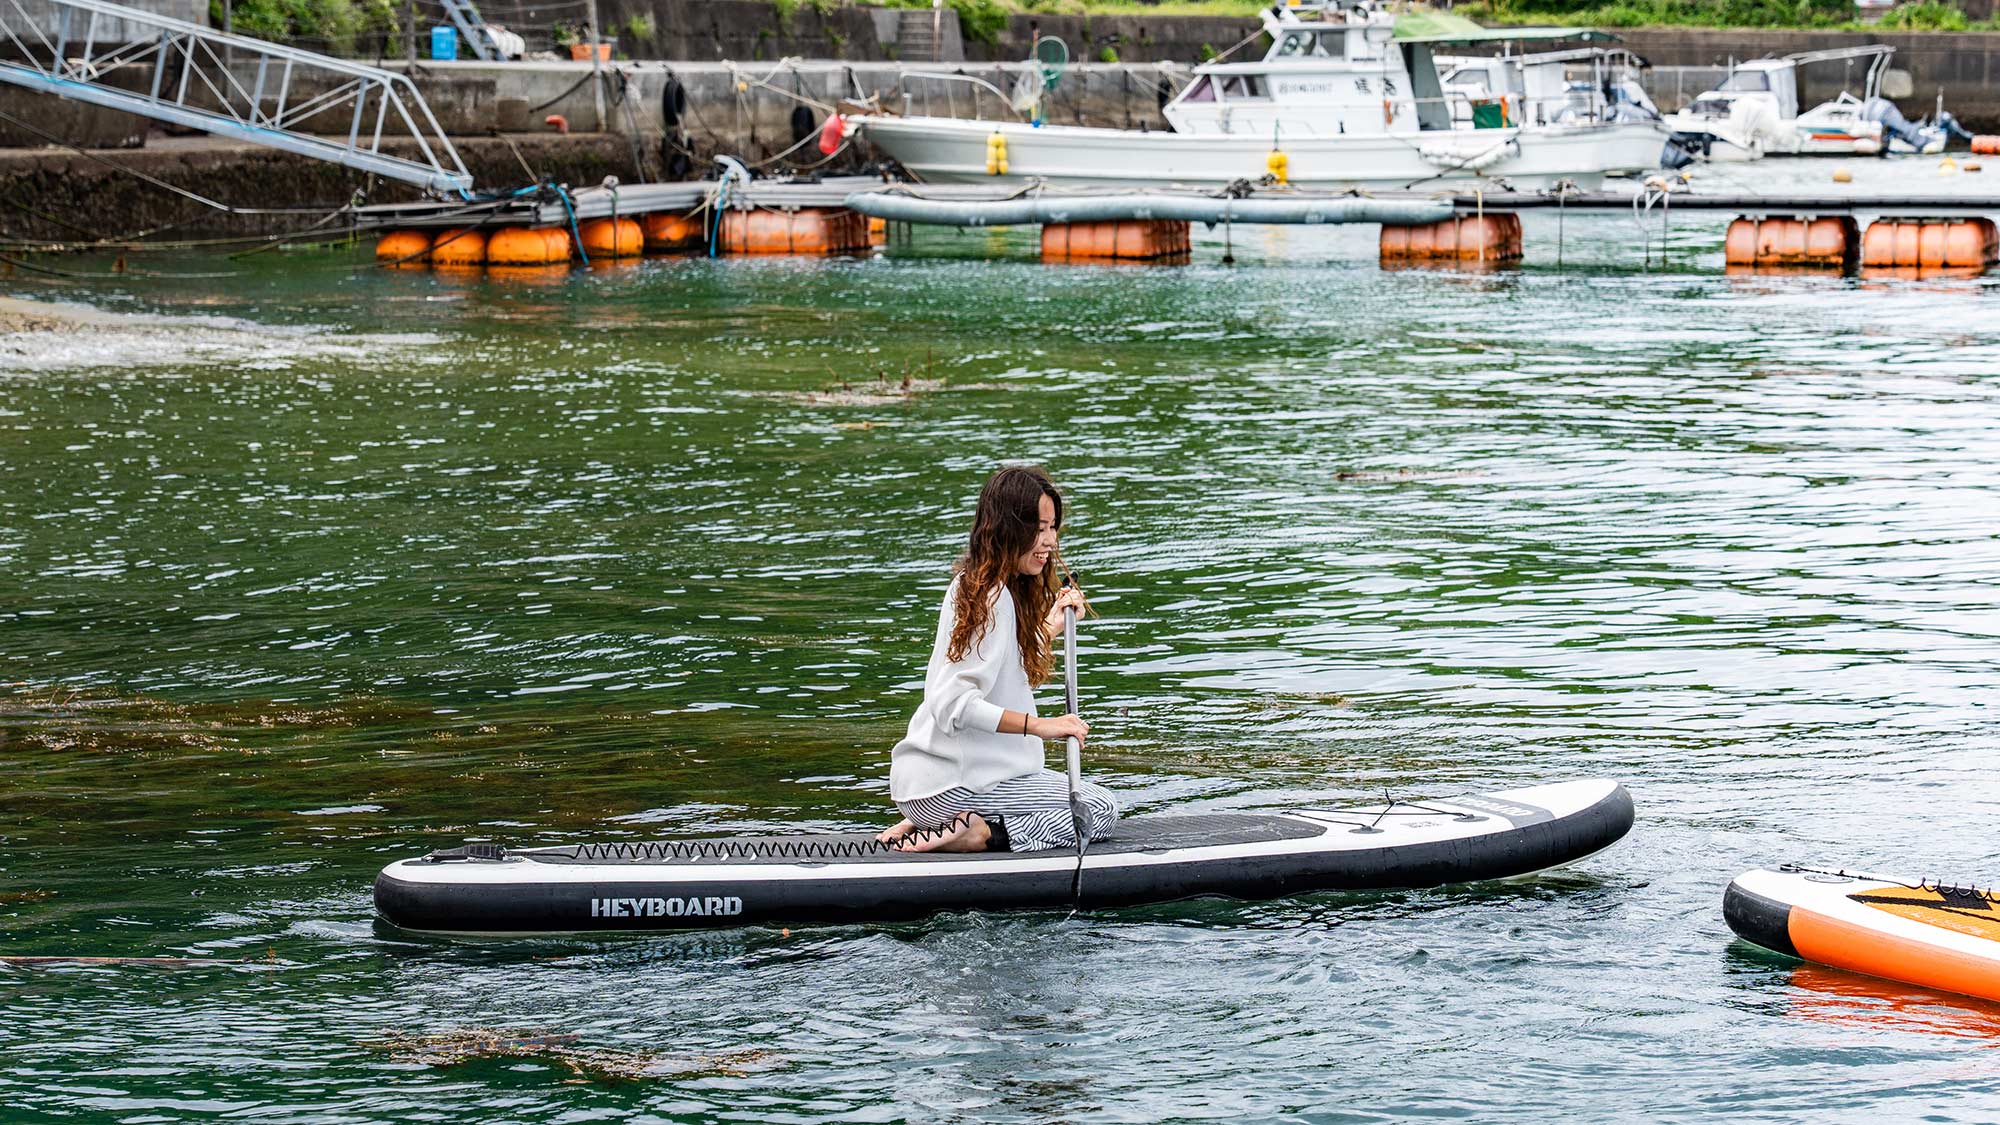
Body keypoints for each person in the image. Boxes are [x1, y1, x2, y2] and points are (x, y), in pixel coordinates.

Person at [877, 466, 1120, 853]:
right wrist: (1041, 726)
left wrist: (1046, 629)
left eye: (1053, 528)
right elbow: (953, 705)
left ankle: (931, 819)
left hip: (929, 784)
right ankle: (981, 833)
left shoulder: (977, 586)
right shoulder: (993, 597)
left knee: (1073, 797)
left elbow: (998, 674)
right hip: (955, 786)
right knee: (1099, 808)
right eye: (1038, 529)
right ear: (1008, 528)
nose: (1050, 542)